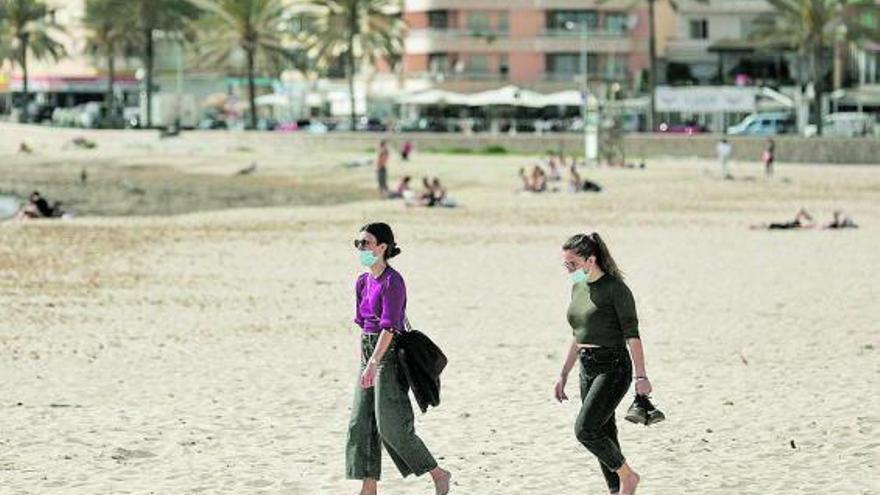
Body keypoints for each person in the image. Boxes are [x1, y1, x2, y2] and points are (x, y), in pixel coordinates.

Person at [347, 223, 452, 495]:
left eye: (365, 243)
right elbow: (365, 324)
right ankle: (368, 488)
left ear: (382, 247)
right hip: (368, 350)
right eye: (357, 243)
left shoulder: (394, 281)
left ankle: (437, 473)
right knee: (361, 421)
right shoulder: (362, 281)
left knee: (392, 427)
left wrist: (374, 362)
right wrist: (366, 358)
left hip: (388, 354)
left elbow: (390, 327)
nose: (361, 249)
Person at [554, 233, 652, 495]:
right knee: (605, 430)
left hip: (613, 366)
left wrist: (641, 377)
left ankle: (628, 478)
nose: (568, 269)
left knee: (585, 430)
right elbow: (578, 333)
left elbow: (632, 335)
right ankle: (616, 489)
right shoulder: (578, 285)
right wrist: (564, 372)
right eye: (566, 264)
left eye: (572, 263)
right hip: (586, 366)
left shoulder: (616, 289)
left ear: (591, 259)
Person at [750, 208, 816, 230]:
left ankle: (754, 226)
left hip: (780, 225)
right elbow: (801, 212)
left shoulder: (795, 224)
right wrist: (809, 218)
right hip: (779, 226)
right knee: (766, 226)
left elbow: (800, 212)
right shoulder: (796, 225)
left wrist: (808, 218)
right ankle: (754, 226)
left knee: (766, 226)